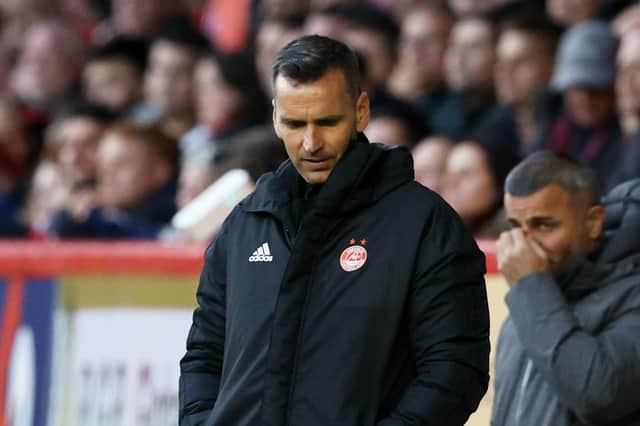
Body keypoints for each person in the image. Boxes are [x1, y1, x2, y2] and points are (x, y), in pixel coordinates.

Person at [179, 35, 490, 426]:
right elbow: (204, 354)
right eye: (294, 123)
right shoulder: (246, 223)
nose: (311, 143)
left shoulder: (425, 225)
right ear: (275, 117)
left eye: (327, 122)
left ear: (361, 112)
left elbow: (456, 370)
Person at [492, 151, 640, 426]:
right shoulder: (526, 301)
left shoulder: (632, 295)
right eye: (515, 227)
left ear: (593, 222)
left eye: (543, 225)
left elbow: (597, 394)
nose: (524, 246)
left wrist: (532, 286)